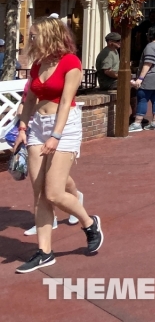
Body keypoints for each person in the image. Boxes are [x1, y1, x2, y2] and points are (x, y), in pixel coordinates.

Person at [13, 17, 102, 273]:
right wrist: (22, 127)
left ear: (48, 35)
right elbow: (30, 99)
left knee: (54, 192)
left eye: (34, 36)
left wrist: (56, 136)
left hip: (64, 126)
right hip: (37, 127)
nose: (30, 40)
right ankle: (44, 252)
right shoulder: (38, 64)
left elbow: (65, 102)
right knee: (39, 193)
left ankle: (89, 222)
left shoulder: (70, 62)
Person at [129, 26, 155, 132]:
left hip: (152, 76)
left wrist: (140, 78)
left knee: (142, 97)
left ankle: (137, 123)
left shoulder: (150, 46)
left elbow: (148, 63)